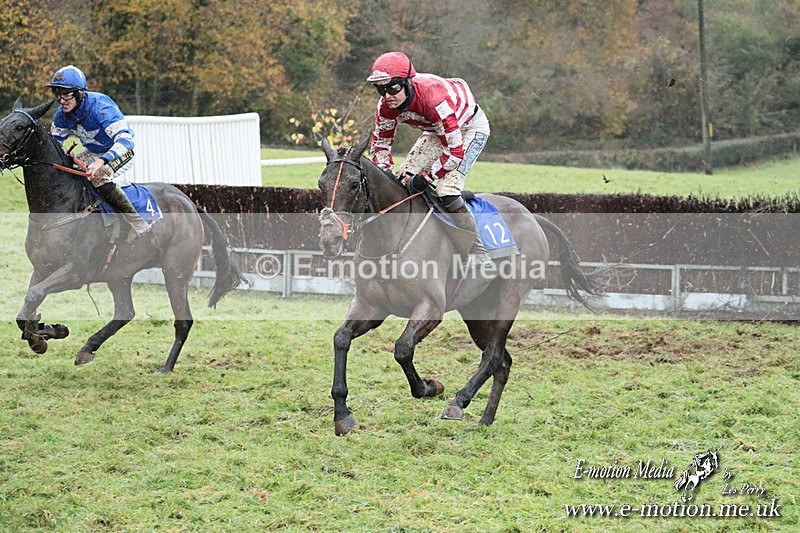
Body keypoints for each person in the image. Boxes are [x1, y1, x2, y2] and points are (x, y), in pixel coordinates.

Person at [367, 51, 491, 264]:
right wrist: (384, 172)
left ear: (407, 83)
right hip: (437, 131)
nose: (388, 96)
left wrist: (426, 178)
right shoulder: (385, 107)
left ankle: (477, 250)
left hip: (469, 129)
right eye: (381, 89)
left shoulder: (434, 99)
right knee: (401, 181)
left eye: (393, 87)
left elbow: (455, 152)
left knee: (446, 190)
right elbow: (381, 145)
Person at [47, 65, 151, 240]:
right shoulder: (61, 114)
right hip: (94, 151)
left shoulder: (101, 106)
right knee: (65, 168)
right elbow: (54, 144)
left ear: (80, 93)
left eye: (66, 94)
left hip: (120, 150)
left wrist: (102, 161)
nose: (62, 100)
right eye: (58, 94)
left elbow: (126, 141)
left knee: (99, 176)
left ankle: (138, 223)